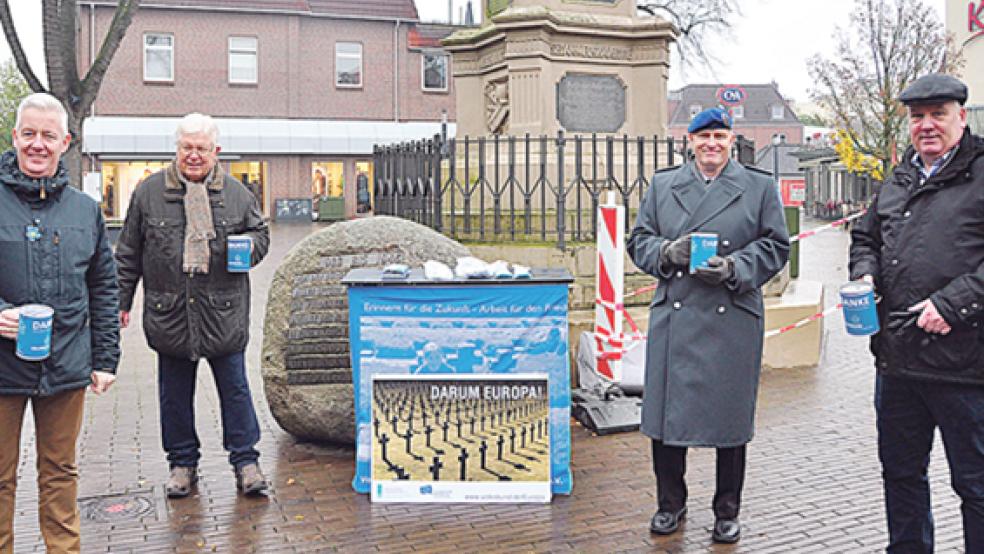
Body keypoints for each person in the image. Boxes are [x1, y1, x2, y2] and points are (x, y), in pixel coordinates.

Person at [627, 107, 789, 544]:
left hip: (731, 316)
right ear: (690, 141)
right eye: (703, 137)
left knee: (730, 422)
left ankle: (726, 510)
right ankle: (669, 504)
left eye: (719, 135)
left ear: (731, 140)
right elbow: (638, 240)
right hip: (675, 317)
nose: (711, 144)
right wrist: (667, 252)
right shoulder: (664, 185)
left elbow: (776, 245)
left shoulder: (758, 186)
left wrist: (736, 267)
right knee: (665, 420)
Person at [849, 73, 984, 553]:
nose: (926, 125)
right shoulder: (900, 177)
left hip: (967, 367)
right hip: (898, 361)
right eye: (917, 116)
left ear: (961, 117)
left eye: (938, 114)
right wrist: (864, 275)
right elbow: (865, 238)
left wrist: (953, 305)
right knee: (902, 476)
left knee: (976, 486)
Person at [115, 113, 271, 498]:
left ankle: (246, 461)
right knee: (174, 394)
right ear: (177, 149)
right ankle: (182, 463)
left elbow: (260, 234)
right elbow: (129, 252)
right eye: (188, 147)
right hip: (171, 314)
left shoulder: (237, 194)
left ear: (215, 151)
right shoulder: (149, 193)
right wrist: (120, 302)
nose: (195, 155)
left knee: (235, 390)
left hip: (223, 313)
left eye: (202, 148)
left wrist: (249, 247)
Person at [0, 92, 119, 552]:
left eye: (48, 136)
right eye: (28, 134)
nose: (37, 144)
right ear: (14, 137)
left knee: (60, 474)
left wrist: (105, 358)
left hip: (67, 362)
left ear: (64, 142)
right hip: (3, 367)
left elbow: (103, 290)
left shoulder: (85, 211)